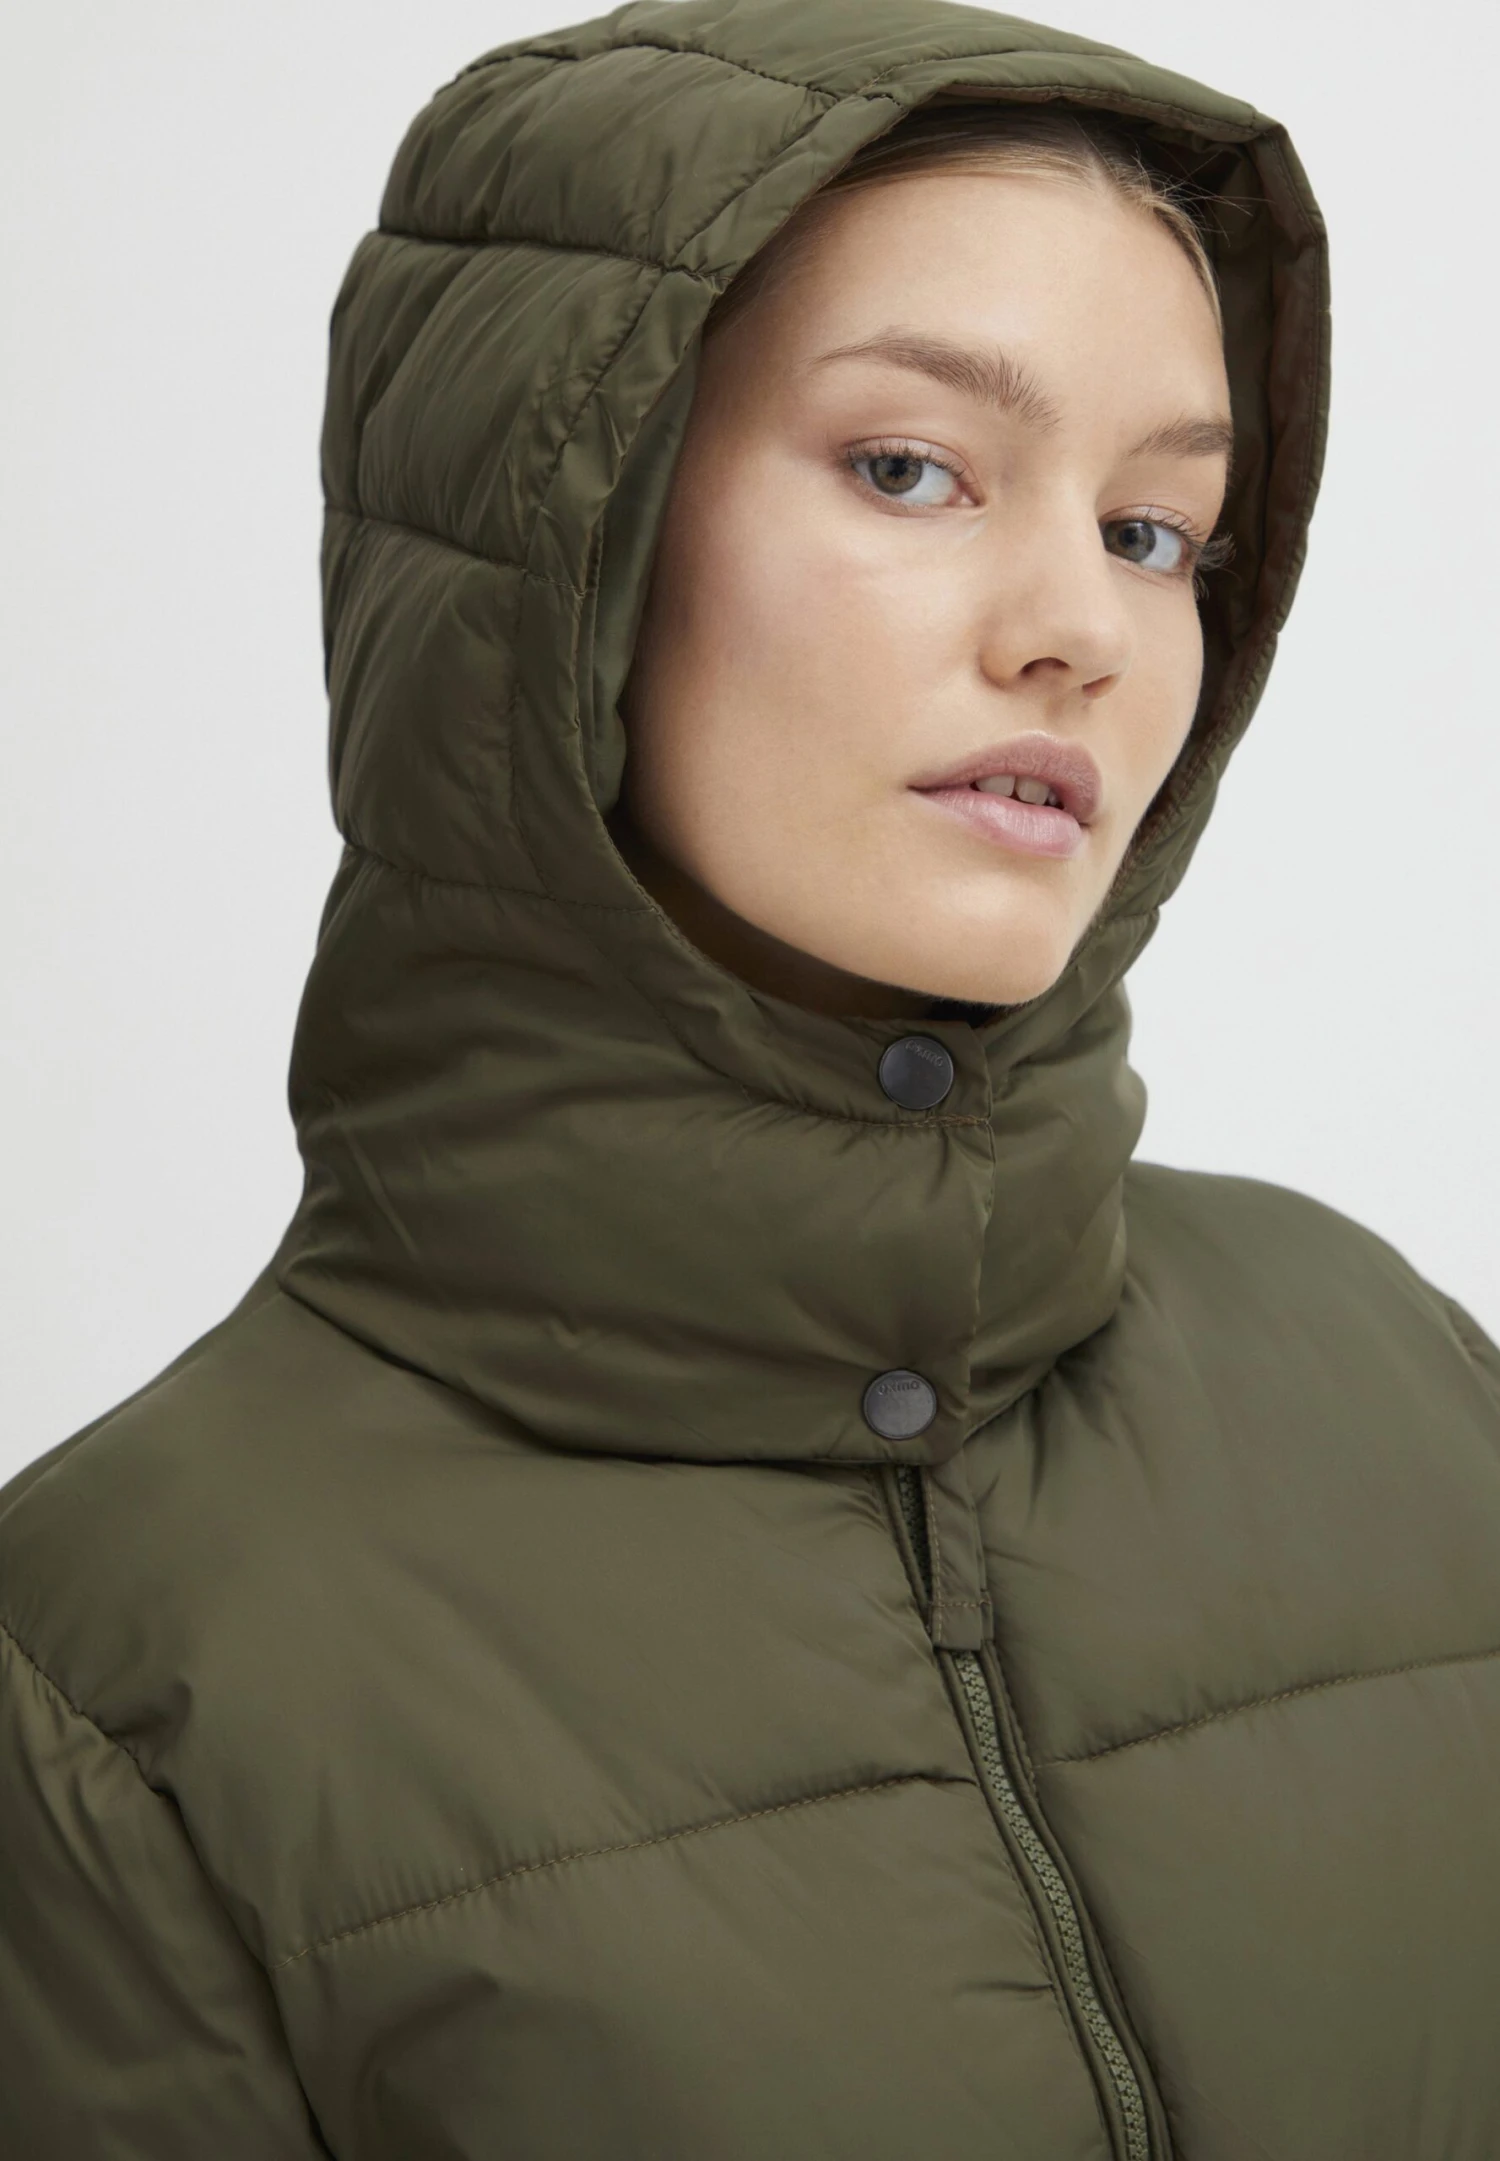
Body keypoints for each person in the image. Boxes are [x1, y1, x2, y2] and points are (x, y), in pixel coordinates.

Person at [2, 0, 1497, 2154]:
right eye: (911, 469)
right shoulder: (124, 1662)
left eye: (1156, 531)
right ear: (566, 546)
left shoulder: (1391, 1379)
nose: (1081, 626)